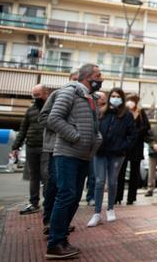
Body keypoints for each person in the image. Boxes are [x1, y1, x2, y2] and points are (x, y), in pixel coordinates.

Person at [45, 64, 103, 259]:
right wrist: (75, 136)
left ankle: (62, 239)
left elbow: (95, 126)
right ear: (86, 76)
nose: (101, 79)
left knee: (74, 197)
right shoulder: (69, 92)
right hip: (67, 153)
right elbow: (53, 119)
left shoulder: (93, 98)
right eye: (97, 75)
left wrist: (97, 140)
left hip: (83, 156)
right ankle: (54, 244)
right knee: (66, 195)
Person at [87, 88, 136, 227]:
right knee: (99, 182)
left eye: (117, 96)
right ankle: (96, 213)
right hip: (100, 152)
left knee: (113, 182)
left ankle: (110, 209)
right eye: (113, 96)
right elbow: (94, 129)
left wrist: (123, 147)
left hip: (117, 154)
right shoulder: (102, 112)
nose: (115, 98)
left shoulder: (127, 115)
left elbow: (133, 135)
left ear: (122, 99)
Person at [39, 70, 79, 235]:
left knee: (68, 187)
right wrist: (64, 128)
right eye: (74, 80)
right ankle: (49, 220)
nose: (76, 83)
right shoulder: (57, 94)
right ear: (69, 80)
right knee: (54, 183)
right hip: (54, 147)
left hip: (71, 148)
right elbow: (43, 118)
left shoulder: (82, 99)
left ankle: (61, 222)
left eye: (79, 80)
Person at [11, 84, 48, 215]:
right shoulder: (30, 110)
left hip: (46, 147)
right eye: (34, 95)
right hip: (31, 147)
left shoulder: (51, 109)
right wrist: (16, 146)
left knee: (46, 175)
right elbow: (23, 129)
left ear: (45, 93)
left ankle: (48, 204)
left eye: (38, 95)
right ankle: (34, 203)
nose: (36, 98)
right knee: (34, 177)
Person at [116, 93, 151, 205]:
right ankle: (118, 196)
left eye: (132, 100)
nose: (130, 102)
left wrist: (136, 132)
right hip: (125, 146)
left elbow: (146, 127)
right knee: (120, 172)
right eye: (128, 100)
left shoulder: (140, 112)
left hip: (137, 147)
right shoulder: (123, 111)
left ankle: (131, 198)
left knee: (134, 173)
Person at [86, 91, 107, 206]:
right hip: (86, 145)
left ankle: (91, 197)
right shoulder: (89, 108)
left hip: (98, 147)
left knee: (94, 175)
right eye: (99, 98)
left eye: (103, 99)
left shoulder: (106, 112)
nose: (100, 101)